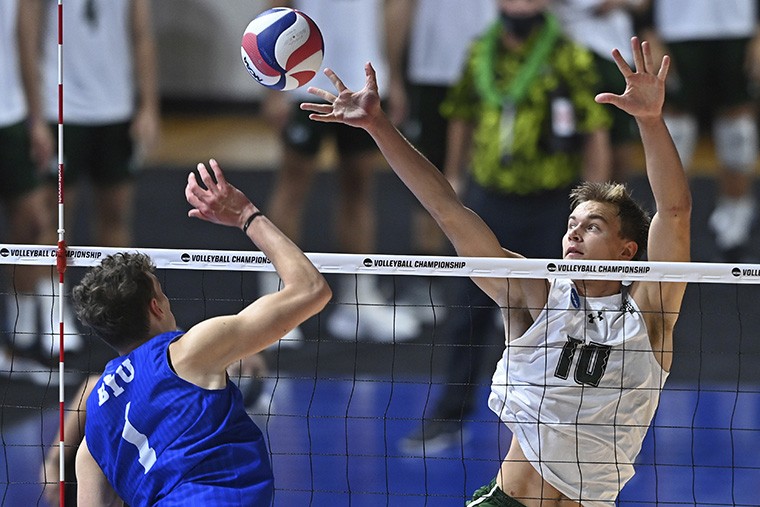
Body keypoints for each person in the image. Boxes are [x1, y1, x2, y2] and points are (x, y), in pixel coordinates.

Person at [302, 33, 691, 507]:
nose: (573, 234)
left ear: (628, 249)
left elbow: (673, 213)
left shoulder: (648, 318)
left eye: (592, 226)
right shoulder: (536, 292)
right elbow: (449, 210)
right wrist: (380, 127)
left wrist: (650, 121)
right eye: (571, 225)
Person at [398, 0, 613, 453]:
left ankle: (573, 416)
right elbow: (460, 115)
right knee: (468, 313)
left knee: (564, 314)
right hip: (488, 202)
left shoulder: (568, 56)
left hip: (551, 205)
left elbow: (595, 129)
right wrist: (454, 176)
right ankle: (449, 414)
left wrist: (595, 202)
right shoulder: (481, 52)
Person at [73, 160, 332, 505]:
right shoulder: (190, 351)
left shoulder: (93, 429)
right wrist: (246, 215)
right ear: (156, 306)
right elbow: (311, 290)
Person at [261, 0, 421, 343]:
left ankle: (358, 301)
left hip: (363, 79)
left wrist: (392, 76)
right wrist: (272, 85)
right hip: (302, 78)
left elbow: (392, 9)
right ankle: (274, 303)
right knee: (293, 187)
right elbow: (276, 6)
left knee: (360, 189)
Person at [18, 0, 160, 355]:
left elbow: (142, 34)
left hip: (116, 110)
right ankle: (55, 311)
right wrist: (35, 116)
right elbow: (28, 36)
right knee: (53, 219)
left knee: (115, 217)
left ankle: (121, 311)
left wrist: (148, 106)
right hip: (61, 110)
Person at [645, 0, 760, 261]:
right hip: (676, 28)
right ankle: (667, 219)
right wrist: (647, 27)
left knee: (739, 130)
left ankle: (735, 222)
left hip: (737, 27)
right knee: (675, 129)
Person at [0, 0, 70, 379]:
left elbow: (26, 44)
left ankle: (18, 335)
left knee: (32, 222)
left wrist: (37, 120)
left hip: (10, 116)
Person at [551, 0, 651, 182]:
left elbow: (641, 3)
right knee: (589, 133)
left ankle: (616, 203)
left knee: (621, 136)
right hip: (574, 52)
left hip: (617, 54)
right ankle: (589, 204)